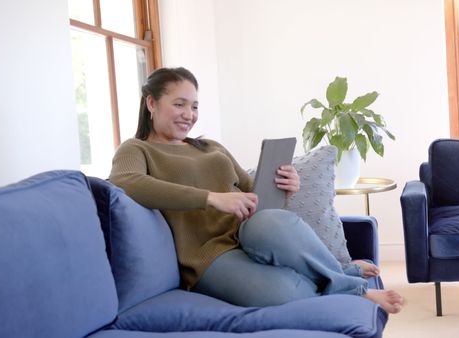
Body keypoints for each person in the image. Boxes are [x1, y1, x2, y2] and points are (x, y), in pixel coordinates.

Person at [109, 67, 403, 314]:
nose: (189, 114)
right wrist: (211, 198)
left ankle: (349, 284)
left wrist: (286, 186)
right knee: (284, 293)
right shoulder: (136, 149)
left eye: (195, 106)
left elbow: (252, 192)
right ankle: (342, 275)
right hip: (209, 256)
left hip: (250, 230)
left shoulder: (210, 147)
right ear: (151, 104)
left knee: (271, 219)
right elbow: (126, 182)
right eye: (179, 104)